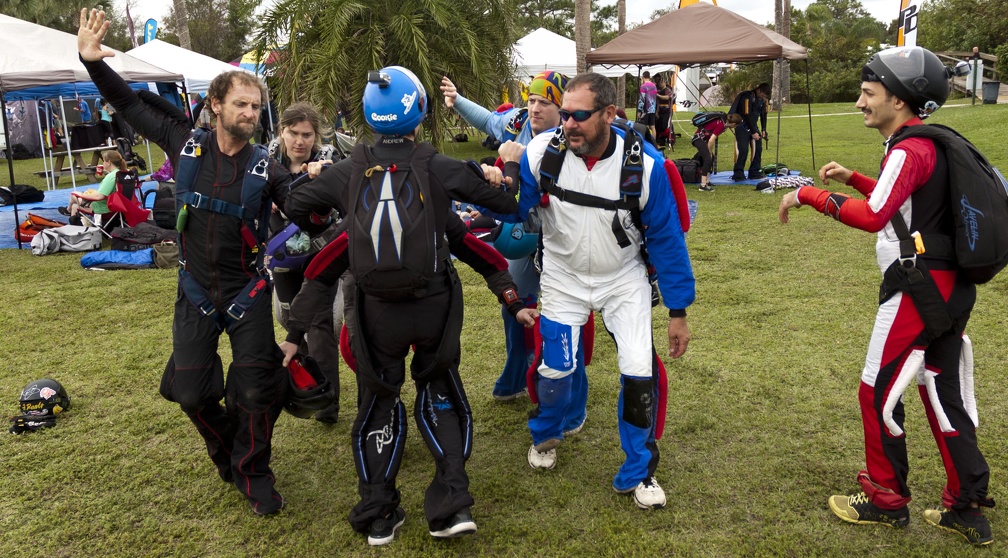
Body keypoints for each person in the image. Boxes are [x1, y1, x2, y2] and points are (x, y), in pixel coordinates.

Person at [284, 65, 535, 546]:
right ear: (419, 109)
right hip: (434, 306)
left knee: (378, 402)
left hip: (375, 312)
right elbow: (502, 211)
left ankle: (378, 511)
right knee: (440, 392)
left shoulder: (346, 169)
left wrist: (294, 334)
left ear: (369, 113)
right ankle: (451, 504)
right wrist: (501, 171)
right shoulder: (437, 165)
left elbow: (303, 216)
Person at [79, 9, 293, 517]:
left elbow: (307, 204)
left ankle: (253, 471)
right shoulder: (186, 144)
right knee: (192, 392)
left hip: (249, 294)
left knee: (257, 392)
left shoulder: (268, 165)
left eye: (256, 106)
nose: (250, 113)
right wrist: (91, 62)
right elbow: (129, 104)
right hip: (195, 291)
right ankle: (228, 448)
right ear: (216, 105)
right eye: (240, 104)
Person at [778, 46, 994, 546]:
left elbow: (874, 216)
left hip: (917, 289)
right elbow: (902, 202)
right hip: (950, 288)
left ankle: (885, 498)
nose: (859, 102)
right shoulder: (927, 145)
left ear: (899, 100)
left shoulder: (907, 148)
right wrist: (853, 178)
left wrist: (807, 195)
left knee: (875, 390)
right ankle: (966, 507)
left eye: (868, 93)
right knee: (943, 394)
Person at [494, 72, 695, 510]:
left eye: (579, 116)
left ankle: (640, 469)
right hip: (563, 278)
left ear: (609, 114)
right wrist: (508, 166)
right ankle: (546, 434)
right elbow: (513, 209)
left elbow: (666, 239)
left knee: (638, 367)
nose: (568, 125)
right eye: (564, 115)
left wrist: (678, 311)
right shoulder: (541, 154)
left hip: (623, 280)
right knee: (557, 369)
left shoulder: (645, 165)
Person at [440, 70, 590, 430]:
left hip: (561, 241)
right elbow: (490, 120)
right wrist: (458, 100)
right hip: (522, 233)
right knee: (515, 303)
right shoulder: (519, 122)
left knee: (566, 319)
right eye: (532, 100)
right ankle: (518, 371)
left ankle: (571, 400)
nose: (535, 107)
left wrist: (508, 210)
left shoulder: (573, 140)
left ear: (563, 108)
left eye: (545, 102)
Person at [267, 102, 341, 424]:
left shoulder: (327, 161)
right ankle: (309, 380)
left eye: (307, 134)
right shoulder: (267, 161)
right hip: (282, 258)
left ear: (316, 136)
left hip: (320, 253)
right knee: (288, 318)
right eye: (293, 133)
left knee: (318, 323)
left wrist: (322, 185)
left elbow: (342, 204)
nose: (300, 141)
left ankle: (327, 402)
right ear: (281, 132)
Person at [57, 148, 125, 221]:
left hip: (105, 208)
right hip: (120, 205)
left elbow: (99, 196)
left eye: (104, 161)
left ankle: (72, 217)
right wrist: (105, 171)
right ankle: (70, 213)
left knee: (74, 198)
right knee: (75, 203)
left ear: (109, 162)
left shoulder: (111, 177)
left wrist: (81, 194)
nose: (103, 163)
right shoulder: (122, 173)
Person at [728, 82, 769, 181]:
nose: (763, 97)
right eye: (763, 94)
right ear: (758, 90)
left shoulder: (763, 100)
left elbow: (763, 114)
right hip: (742, 126)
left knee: (758, 149)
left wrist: (763, 129)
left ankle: (754, 172)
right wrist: (754, 131)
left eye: (765, 96)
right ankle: (738, 173)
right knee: (743, 150)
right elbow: (747, 115)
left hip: (753, 125)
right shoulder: (747, 97)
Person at [692, 113, 741, 191]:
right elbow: (711, 140)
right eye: (736, 125)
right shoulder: (722, 125)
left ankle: (707, 181)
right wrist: (710, 151)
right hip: (698, 139)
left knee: (711, 158)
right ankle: (703, 185)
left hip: (703, 139)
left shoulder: (723, 122)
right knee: (708, 159)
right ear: (734, 124)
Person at [655, 75, 675, 148]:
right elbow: (657, 103)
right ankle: (660, 140)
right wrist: (656, 112)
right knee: (658, 125)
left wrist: (658, 95)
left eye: (661, 82)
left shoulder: (668, 90)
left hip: (667, 110)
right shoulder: (658, 90)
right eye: (659, 82)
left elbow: (667, 97)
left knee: (665, 125)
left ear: (664, 82)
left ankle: (670, 138)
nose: (660, 83)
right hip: (660, 110)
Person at [638, 71, 658, 139]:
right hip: (652, 109)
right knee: (652, 126)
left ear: (643, 77)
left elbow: (642, 99)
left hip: (645, 110)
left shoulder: (643, 86)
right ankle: (654, 142)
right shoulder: (654, 86)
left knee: (643, 126)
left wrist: (639, 110)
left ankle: (643, 141)